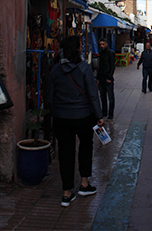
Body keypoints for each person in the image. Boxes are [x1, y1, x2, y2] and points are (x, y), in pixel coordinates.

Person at [46, 35, 104, 207]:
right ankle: (84, 184)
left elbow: (50, 97)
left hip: (61, 118)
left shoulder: (55, 70)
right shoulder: (84, 68)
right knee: (85, 147)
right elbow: (93, 95)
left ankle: (66, 193)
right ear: (78, 49)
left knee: (65, 152)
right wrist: (99, 115)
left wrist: (54, 114)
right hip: (83, 116)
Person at [95, 38, 116, 120]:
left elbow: (112, 67)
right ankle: (104, 112)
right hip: (101, 78)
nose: (101, 46)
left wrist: (109, 77)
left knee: (110, 97)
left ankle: (111, 113)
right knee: (102, 96)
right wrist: (97, 77)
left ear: (106, 44)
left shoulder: (110, 53)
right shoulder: (100, 53)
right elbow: (99, 66)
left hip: (108, 78)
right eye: (100, 44)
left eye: (103, 44)